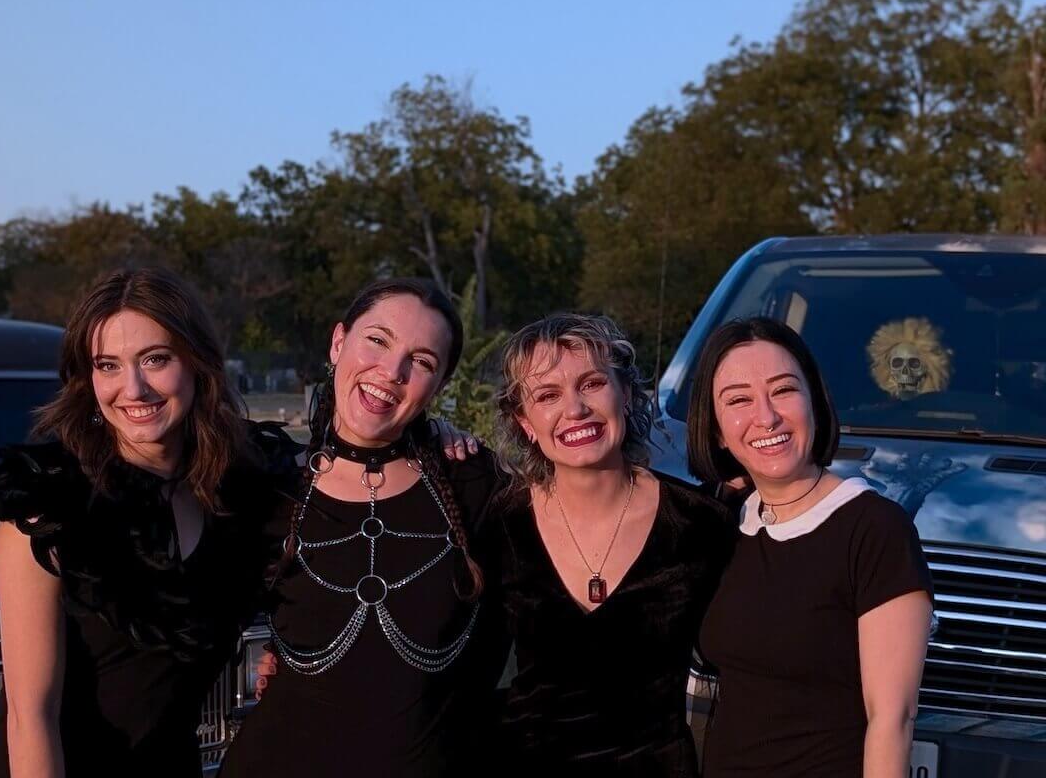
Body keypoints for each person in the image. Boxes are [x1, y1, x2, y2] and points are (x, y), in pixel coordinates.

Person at [0, 267, 281, 778]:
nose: (133, 388)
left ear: (197, 363)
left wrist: (289, 648)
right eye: (108, 365)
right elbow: (31, 717)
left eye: (155, 359)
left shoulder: (241, 495)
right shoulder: (45, 511)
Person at [217, 278, 508, 778]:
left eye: (422, 362)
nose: (391, 371)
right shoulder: (269, 484)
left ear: (439, 387)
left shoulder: (473, 485)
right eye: (377, 340)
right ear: (338, 342)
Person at [490, 313, 735, 776]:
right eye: (548, 395)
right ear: (525, 422)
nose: (575, 409)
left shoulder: (701, 523)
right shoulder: (497, 524)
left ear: (625, 392)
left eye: (592, 383)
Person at [687, 317, 932, 778]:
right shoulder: (723, 521)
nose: (766, 417)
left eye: (783, 390)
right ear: (716, 428)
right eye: (738, 400)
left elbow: (892, 721)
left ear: (815, 402)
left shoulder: (875, 529)